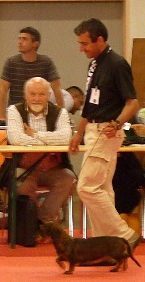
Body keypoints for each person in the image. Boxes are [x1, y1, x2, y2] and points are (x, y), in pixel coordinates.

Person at [69, 18, 141, 252]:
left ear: (100, 40)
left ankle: (125, 234)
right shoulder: (94, 64)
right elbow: (90, 105)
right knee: (103, 190)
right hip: (93, 129)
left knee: (87, 188)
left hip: (106, 132)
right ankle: (107, 246)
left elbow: (133, 103)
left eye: (85, 43)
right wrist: (78, 133)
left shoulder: (117, 64)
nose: (81, 48)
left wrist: (118, 123)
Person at [7, 77, 76, 224]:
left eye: (41, 94)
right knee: (21, 186)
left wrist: (34, 135)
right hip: (25, 169)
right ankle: (29, 223)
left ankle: (42, 221)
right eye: (33, 94)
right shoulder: (14, 111)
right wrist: (48, 140)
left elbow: (65, 138)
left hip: (54, 168)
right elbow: (16, 139)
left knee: (69, 179)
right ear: (25, 95)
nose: (37, 99)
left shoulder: (60, 112)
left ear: (48, 96)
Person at [0, 26, 64, 119]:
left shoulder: (46, 62)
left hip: (41, 113)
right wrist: (2, 117)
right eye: (19, 39)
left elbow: (57, 89)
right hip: (16, 112)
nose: (20, 42)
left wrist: (61, 116)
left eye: (24, 39)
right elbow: (2, 90)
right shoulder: (11, 62)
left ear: (35, 44)